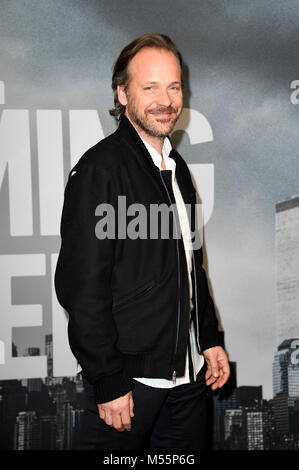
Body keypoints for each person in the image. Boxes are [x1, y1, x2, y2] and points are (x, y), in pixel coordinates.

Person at [54, 33, 230, 451]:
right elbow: (82, 288)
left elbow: (191, 264)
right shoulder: (101, 170)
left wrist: (209, 338)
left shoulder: (178, 169)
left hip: (188, 380)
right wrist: (107, 378)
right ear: (122, 93)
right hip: (130, 384)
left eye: (173, 86)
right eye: (149, 87)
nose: (165, 100)